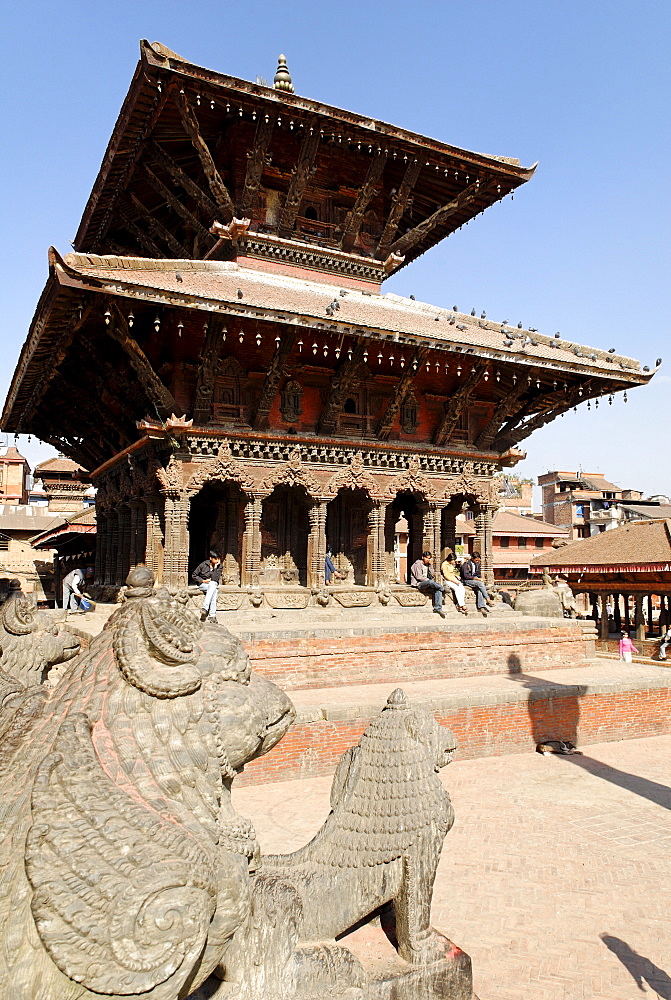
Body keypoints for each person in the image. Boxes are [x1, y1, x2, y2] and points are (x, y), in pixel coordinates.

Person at [410, 550, 446, 618]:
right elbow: (419, 577)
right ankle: (442, 588)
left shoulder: (428, 565)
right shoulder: (417, 564)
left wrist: (431, 566)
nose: (428, 560)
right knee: (431, 582)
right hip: (418, 583)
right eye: (427, 558)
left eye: (429, 558)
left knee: (437, 590)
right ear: (423, 557)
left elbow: (432, 575)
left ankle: (438, 608)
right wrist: (429, 581)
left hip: (428, 583)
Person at [192, 549, 222, 624]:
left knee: (213, 588)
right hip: (203, 585)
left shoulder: (219, 567)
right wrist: (203, 581)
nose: (217, 560)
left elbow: (215, 579)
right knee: (214, 589)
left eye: (218, 558)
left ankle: (205, 609)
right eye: (216, 558)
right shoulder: (203, 565)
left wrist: (215, 568)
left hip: (212, 585)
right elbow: (194, 575)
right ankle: (212, 616)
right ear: (211, 558)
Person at [460, 553, 494, 617]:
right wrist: (476, 579)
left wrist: (480, 578)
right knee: (480, 584)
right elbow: (466, 576)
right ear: (472, 558)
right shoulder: (466, 565)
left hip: (474, 580)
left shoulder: (477, 565)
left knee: (479, 590)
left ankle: (481, 607)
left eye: (478, 560)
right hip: (466, 580)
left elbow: (478, 573)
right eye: (476, 560)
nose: (477, 562)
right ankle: (487, 599)